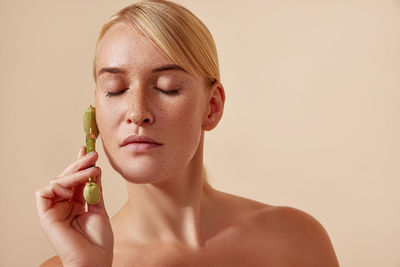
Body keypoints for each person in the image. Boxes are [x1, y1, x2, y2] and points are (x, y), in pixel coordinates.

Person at [36, 0, 340, 266]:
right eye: (115, 90)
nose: (137, 112)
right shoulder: (73, 263)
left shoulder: (295, 241)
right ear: (94, 115)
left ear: (212, 107)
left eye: (167, 88)